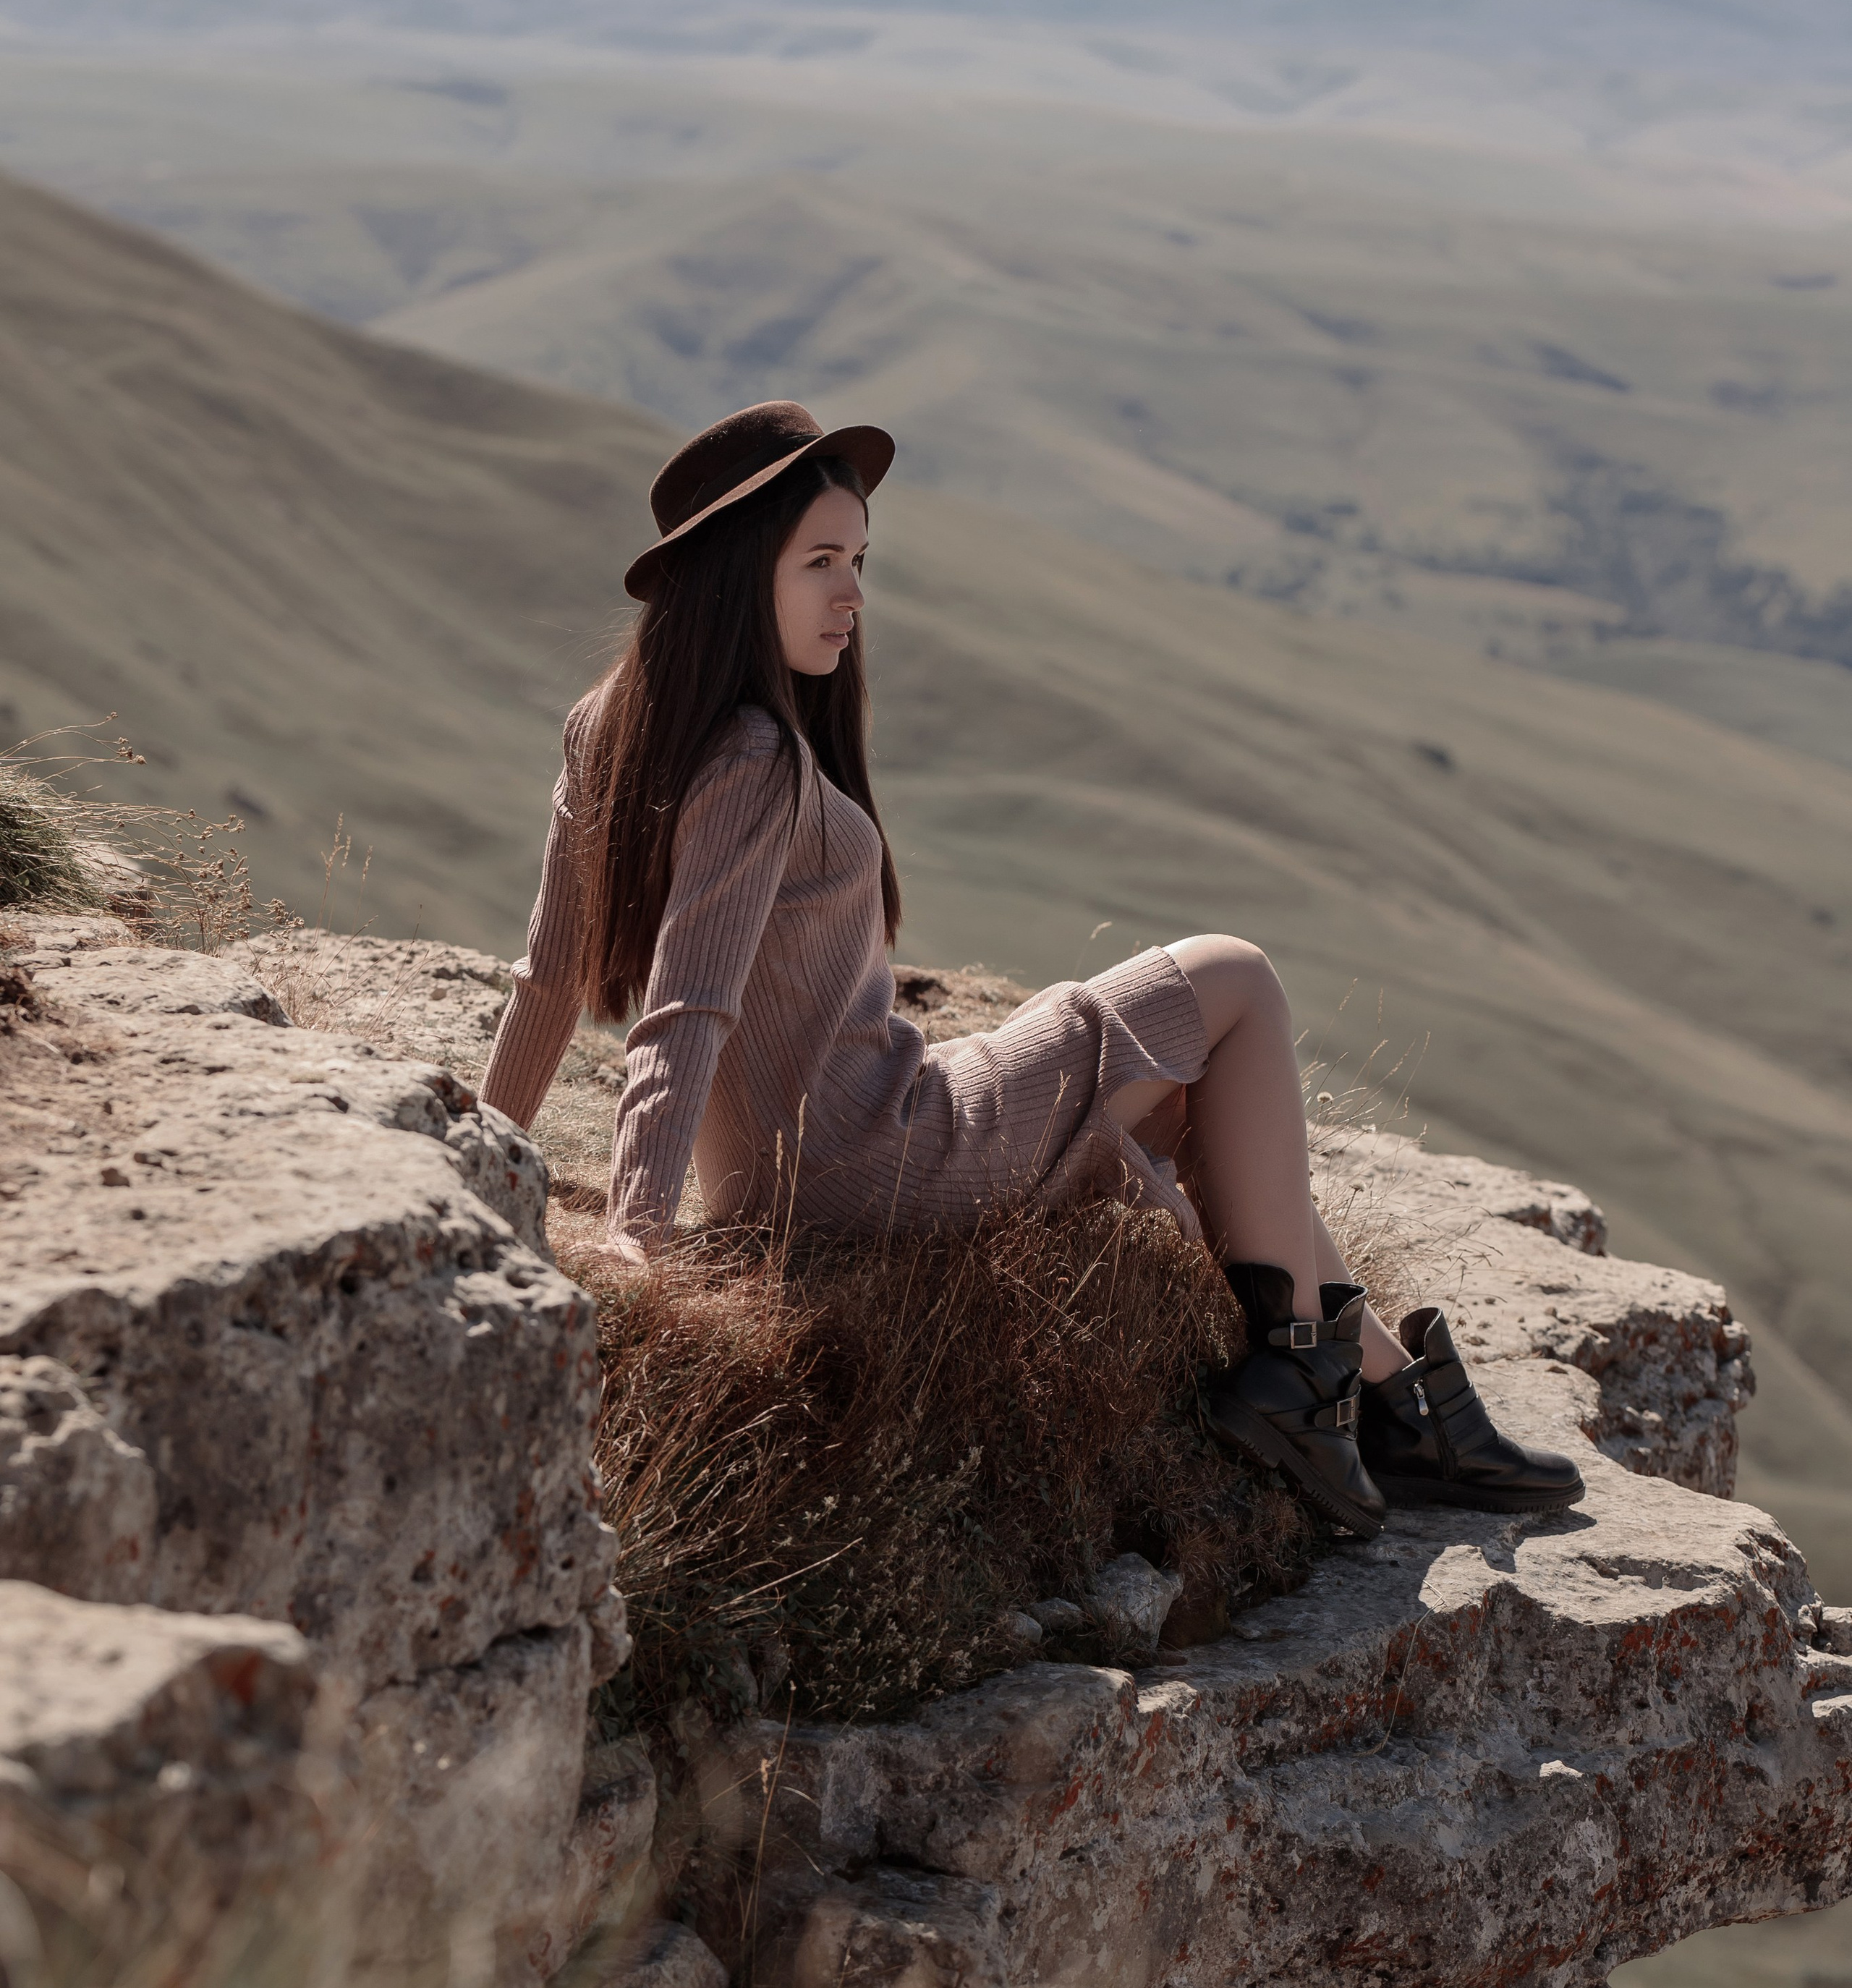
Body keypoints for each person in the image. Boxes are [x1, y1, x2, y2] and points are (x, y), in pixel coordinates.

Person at [480, 401, 1581, 1541]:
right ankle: (1316, 1387)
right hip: (882, 1153)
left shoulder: (607, 722)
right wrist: (638, 1235)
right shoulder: (756, 756)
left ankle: (1393, 1400)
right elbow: (684, 1012)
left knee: (1195, 1079)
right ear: (730, 573)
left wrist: (480, 1158)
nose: (852, 596)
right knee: (1235, 979)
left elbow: (549, 979)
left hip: (809, 1165)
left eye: (859, 561)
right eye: (819, 565)